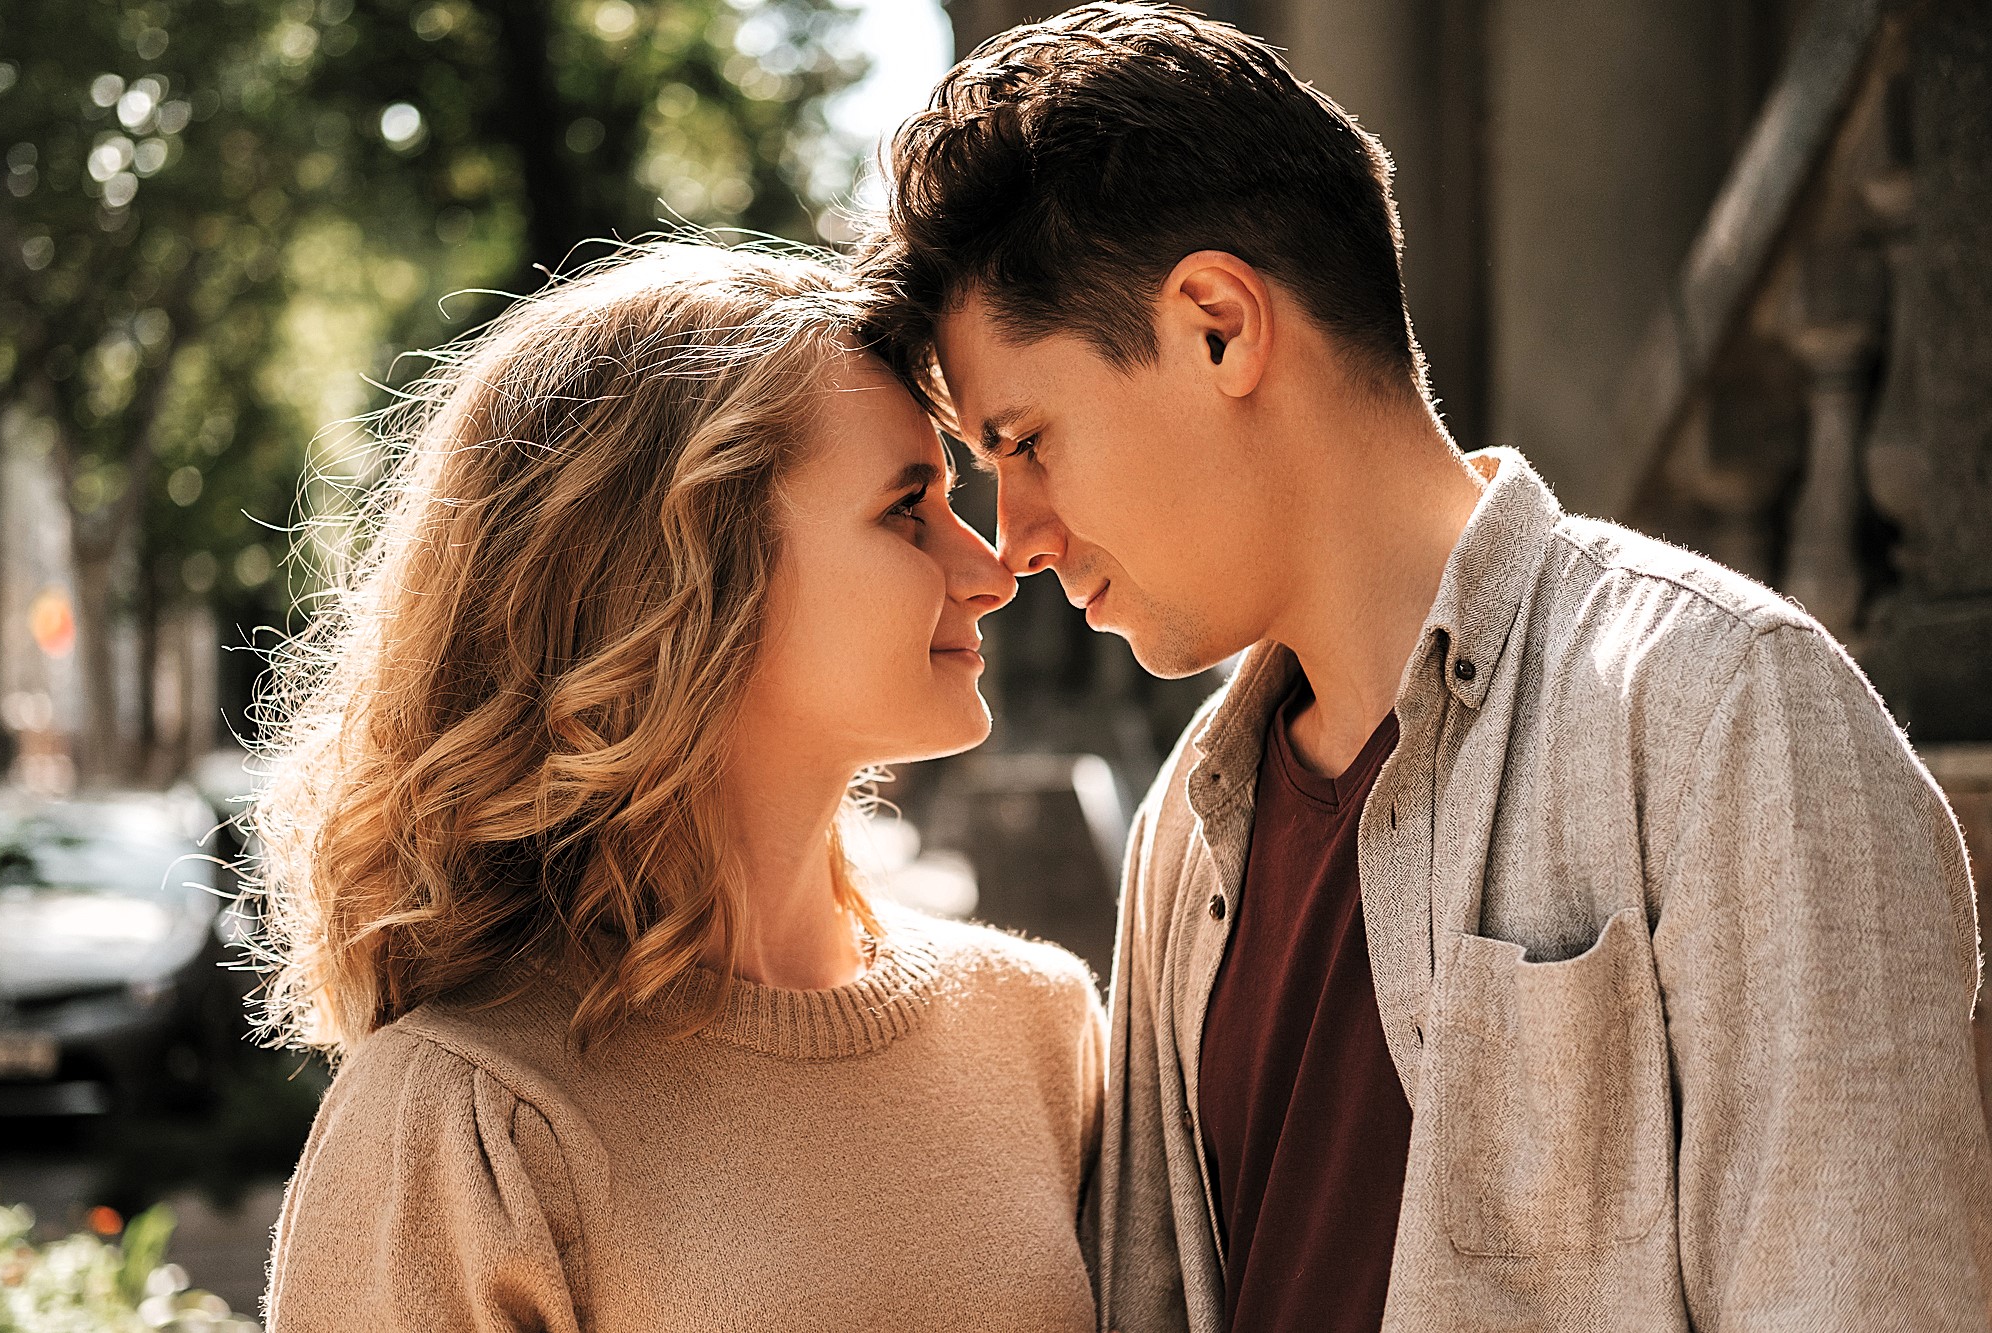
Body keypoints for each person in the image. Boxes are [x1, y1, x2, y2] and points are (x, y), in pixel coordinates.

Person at [857, 4, 1992, 1330]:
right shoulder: (1188, 831)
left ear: (1219, 326)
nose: (1023, 540)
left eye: (1028, 439)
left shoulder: (1726, 714)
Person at [250, 242, 1104, 1332]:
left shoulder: (1037, 1031)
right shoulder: (469, 1120)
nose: (988, 571)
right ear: (681, 577)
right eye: (905, 509)